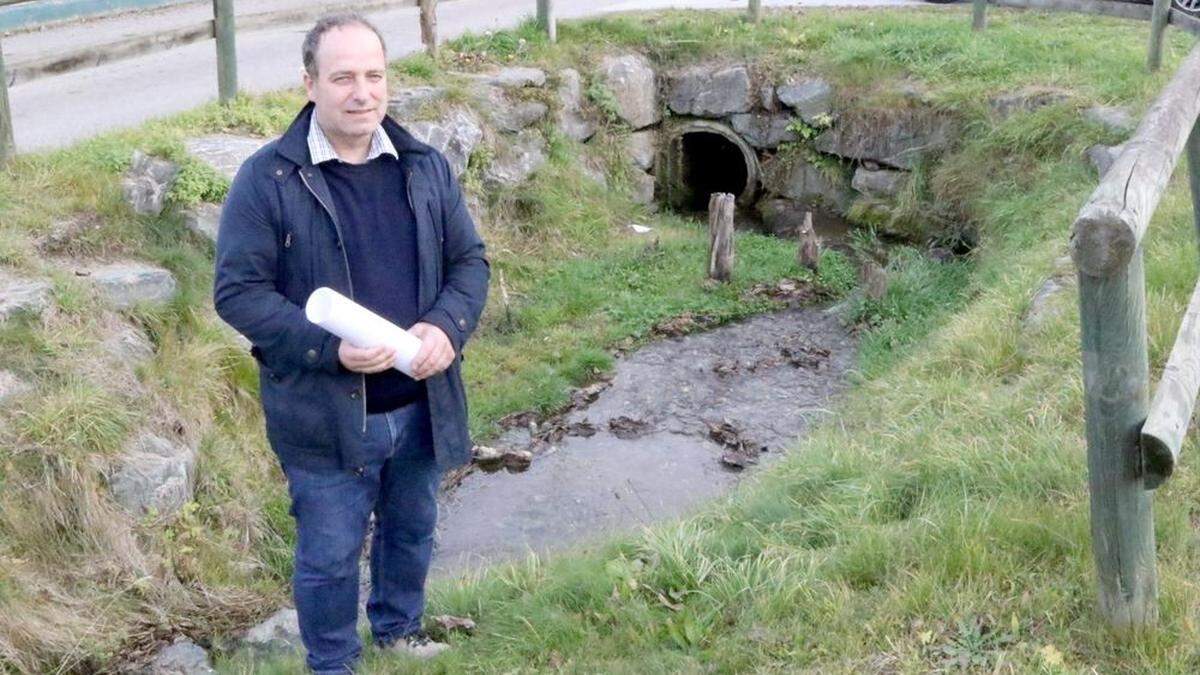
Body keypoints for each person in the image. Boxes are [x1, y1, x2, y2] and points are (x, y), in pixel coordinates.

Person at [213, 12, 489, 673]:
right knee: (330, 554)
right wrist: (326, 348)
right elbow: (238, 293)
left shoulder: (423, 166)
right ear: (310, 84)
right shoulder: (268, 179)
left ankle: (399, 632)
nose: (362, 92)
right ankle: (333, 663)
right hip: (326, 414)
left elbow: (470, 263)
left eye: (374, 75)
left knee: (412, 529)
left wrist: (446, 327)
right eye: (343, 78)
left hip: (420, 397)